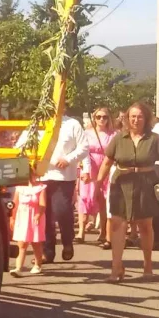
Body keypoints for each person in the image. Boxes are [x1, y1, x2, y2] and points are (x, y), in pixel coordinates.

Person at [96, 101, 159, 282]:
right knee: (117, 224)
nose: (136, 120)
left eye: (140, 116)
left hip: (146, 184)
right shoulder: (119, 138)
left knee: (145, 225)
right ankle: (116, 268)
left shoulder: (155, 139)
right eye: (133, 116)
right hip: (121, 183)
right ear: (127, 119)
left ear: (146, 118)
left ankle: (148, 265)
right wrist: (98, 183)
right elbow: (107, 162)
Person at [39, 114, 88, 263]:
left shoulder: (72, 124)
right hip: (42, 175)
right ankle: (47, 251)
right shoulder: (39, 122)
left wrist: (68, 159)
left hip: (63, 176)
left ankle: (67, 240)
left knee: (61, 210)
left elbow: (84, 147)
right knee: (44, 214)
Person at [84, 107, 116, 249]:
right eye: (98, 117)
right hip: (92, 168)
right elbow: (83, 152)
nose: (102, 119)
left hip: (107, 167)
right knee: (89, 198)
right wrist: (85, 169)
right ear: (94, 118)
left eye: (105, 117)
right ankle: (84, 228)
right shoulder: (87, 133)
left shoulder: (114, 134)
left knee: (105, 202)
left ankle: (104, 232)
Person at [9, 178, 47, 277]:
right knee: (22, 243)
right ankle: (18, 268)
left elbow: (42, 204)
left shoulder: (41, 187)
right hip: (22, 216)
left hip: (35, 217)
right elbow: (15, 204)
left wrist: (38, 214)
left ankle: (38, 265)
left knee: (36, 243)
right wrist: (12, 218)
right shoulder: (20, 188)